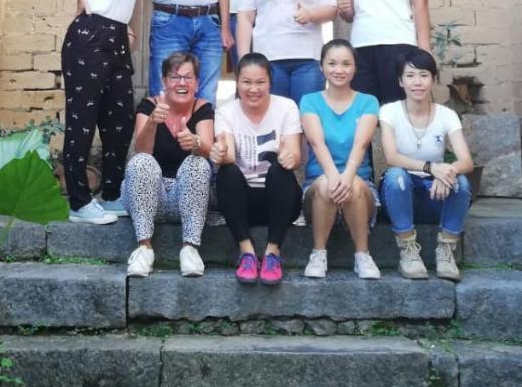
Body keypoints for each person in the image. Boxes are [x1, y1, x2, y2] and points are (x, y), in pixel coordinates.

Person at [34, 0, 138, 226]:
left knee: (119, 120)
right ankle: (79, 201)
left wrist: (127, 27)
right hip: (89, 38)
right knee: (83, 119)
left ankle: (111, 194)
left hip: (117, 36)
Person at [379, 47, 474, 281]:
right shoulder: (389, 111)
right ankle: (408, 251)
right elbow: (391, 156)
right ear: (400, 81)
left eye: (423, 75)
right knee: (395, 176)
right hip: (402, 194)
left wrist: (447, 172)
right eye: (410, 76)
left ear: (433, 79)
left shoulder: (446, 115)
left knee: (460, 182)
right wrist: (432, 167)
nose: (417, 82)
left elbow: (466, 161)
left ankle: (446, 251)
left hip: (435, 194)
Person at [211, 53, 304, 285]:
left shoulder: (287, 107)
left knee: (280, 170)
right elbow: (228, 153)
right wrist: (220, 154)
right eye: (247, 82)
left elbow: (295, 155)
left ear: (270, 82)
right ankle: (247, 253)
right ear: (237, 83)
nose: (253, 89)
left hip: (280, 199)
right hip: (243, 203)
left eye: (260, 82)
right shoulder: (225, 111)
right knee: (227, 172)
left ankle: (273, 253)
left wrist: (287, 157)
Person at [122, 52, 215, 278]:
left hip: (185, 199)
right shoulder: (148, 105)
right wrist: (153, 122)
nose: (182, 83)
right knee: (141, 162)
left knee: (199, 163)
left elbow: (209, 149)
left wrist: (195, 142)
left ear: (197, 83)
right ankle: (144, 248)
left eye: (188, 77)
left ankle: (190, 249)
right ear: (164, 81)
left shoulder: (203, 108)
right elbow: (142, 150)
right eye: (175, 77)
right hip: (148, 198)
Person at [299, 39, 381, 280]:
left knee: (354, 185)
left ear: (355, 68)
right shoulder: (309, 101)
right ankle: (318, 253)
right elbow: (316, 142)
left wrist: (347, 176)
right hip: (318, 185)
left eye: (346, 64)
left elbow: (361, 143)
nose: (339, 70)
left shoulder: (368, 102)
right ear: (321, 67)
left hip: (360, 185)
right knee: (327, 183)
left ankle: (362, 255)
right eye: (332, 63)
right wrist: (335, 176)